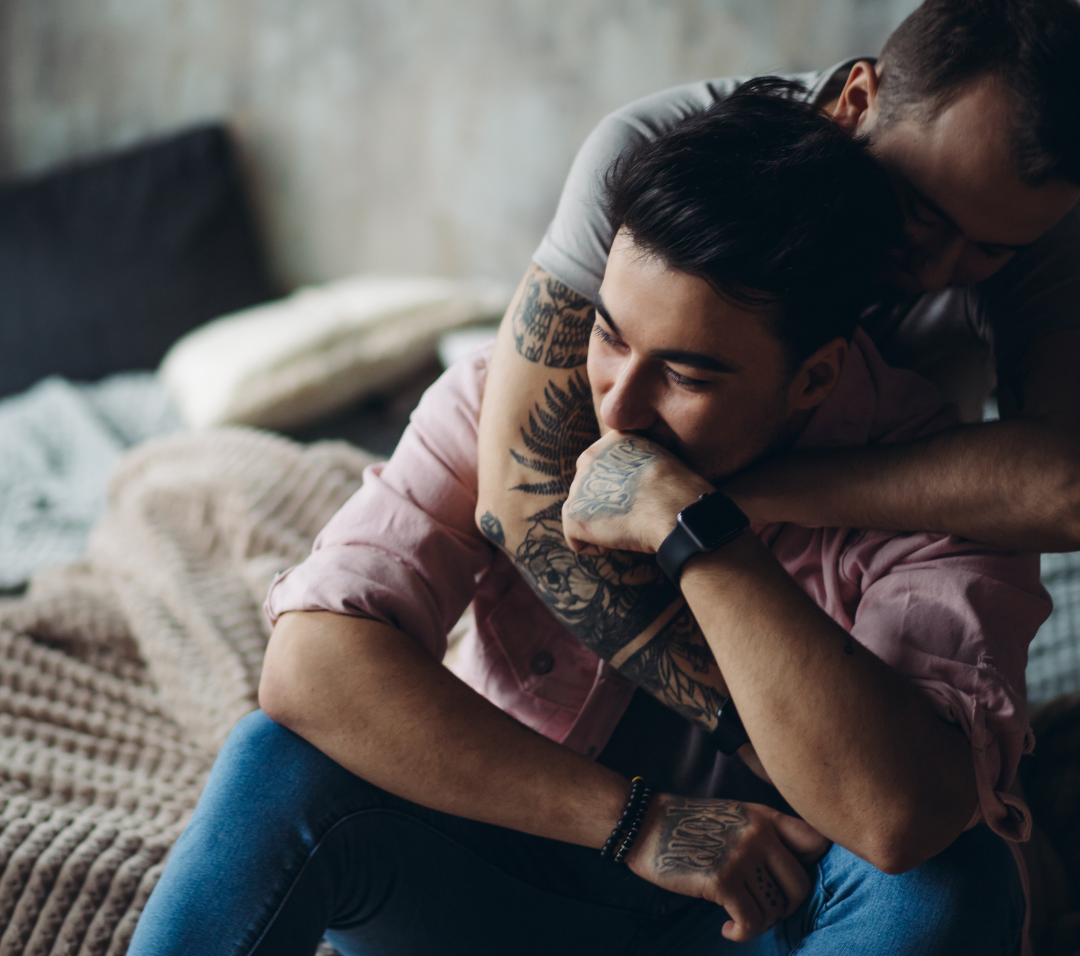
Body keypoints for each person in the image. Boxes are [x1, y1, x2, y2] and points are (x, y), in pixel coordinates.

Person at [128, 86, 1047, 956]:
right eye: (611, 335)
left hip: (774, 917)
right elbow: (310, 667)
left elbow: (894, 816)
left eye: (685, 374)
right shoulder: (518, 401)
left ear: (815, 377)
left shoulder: (938, 489)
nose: (618, 408)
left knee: (951, 880)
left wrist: (695, 528)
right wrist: (638, 823)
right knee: (276, 763)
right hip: (526, 872)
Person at [476, 0, 1080, 568]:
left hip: (879, 572)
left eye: (989, 251)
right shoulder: (648, 147)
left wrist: (724, 501)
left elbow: (1069, 491)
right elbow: (518, 497)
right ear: (857, 101)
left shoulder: (1037, 215)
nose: (934, 276)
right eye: (919, 213)